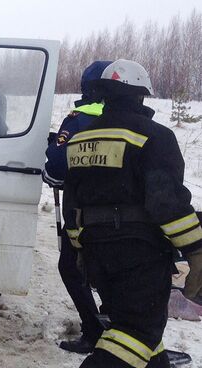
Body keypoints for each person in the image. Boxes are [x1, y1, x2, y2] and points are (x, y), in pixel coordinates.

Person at [62, 59, 202, 368]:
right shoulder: (155, 136)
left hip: (97, 252)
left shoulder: (79, 140)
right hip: (139, 253)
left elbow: (71, 205)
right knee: (137, 331)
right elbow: (166, 204)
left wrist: (79, 247)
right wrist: (195, 249)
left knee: (135, 329)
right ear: (141, 95)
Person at [43, 61, 112, 354]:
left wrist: (53, 152)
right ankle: (117, 327)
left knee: (71, 267)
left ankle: (94, 330)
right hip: (122, 215)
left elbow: (58, 168)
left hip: (84, 213)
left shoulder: (79, 119)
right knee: (110, 271)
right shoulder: (125, 119)